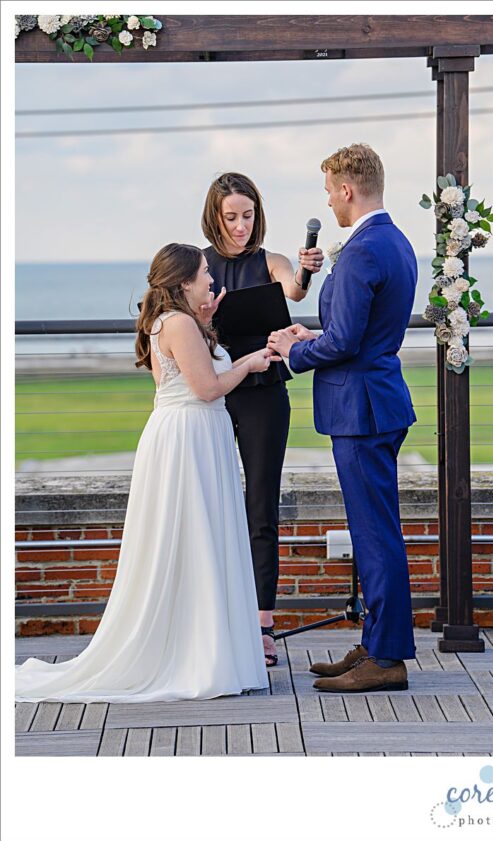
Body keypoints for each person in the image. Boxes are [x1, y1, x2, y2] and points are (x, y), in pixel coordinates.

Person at [15, 244, 277, 703]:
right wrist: (251, 364)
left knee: (197, 540)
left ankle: (204, 647)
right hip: (189, 438)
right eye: (204, 275)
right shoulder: (177, 324)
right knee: (193, 538)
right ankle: (197, 656)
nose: (212, 281)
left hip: (191, 436)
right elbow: (208, 388)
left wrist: (206, 320)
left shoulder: (179, 321)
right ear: (183, 284)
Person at [268, 144, 418, 691]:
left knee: (375, 534)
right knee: (375, 529)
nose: (328, 201)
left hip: (362, 408)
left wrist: (292, 351)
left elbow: (349, 341)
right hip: (376, 400)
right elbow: (357, 333)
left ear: (347, 190)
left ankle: (387, 659)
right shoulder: (394, 241)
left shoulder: (360, 252)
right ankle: (377, 642)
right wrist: (315, 336)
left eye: (330, 190)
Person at [200, 172, 324, 668]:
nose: (240, 226)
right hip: (212, 390)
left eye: (247, 215)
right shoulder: (198, 264)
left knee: (260, 505)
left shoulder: (268, 260)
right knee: (209, 499)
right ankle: (211, 619)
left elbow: (294, 289)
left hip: (264, 391)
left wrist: (308, 269)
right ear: (214, 216)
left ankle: (263, 624)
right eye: (230, 217)